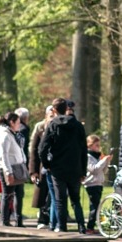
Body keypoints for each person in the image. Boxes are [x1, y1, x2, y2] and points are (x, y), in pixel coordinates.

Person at [43, 98, 88, 233]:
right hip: (75, 168)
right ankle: (81, 226)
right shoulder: (78, 126)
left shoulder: (52, 125)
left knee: (60, 199)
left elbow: (42, 148)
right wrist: (83, 170)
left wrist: (47, 164)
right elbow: (84, 150)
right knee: (76, 199)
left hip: (57, 168)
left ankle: (62, 227)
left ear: (55, 110)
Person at [0, 110, 27, 227]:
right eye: (18, 122)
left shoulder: (12, 133)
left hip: (17, 166)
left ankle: (18, 219)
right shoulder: (4, 135)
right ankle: (5, 220)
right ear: (11, 122)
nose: (19, 125)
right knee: (7, 194)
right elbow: (3, 155)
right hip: (7, 168)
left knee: (19, 194)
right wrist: (8, 172)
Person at [28, 103, 55, 228]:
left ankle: (53, 219)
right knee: (42, 193)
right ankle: (42, 219)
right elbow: (34, 150)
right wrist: (33, 171)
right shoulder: (40, 129)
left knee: (54, 195)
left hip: (56, 166)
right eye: (50, 115)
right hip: (42, 167)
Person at [85, 134, 108, 232]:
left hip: (99, 183)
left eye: (99, 145)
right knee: (94, 206)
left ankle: (93, 225)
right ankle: (90, 226)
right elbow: (93, 169)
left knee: (97, 205)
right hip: (91, 184)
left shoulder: (98, 156)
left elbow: (104, 171)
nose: (99, 147)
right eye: (96, 145)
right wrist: (103, 161)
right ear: (89, 146)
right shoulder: (88, 156)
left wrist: (106, 162)